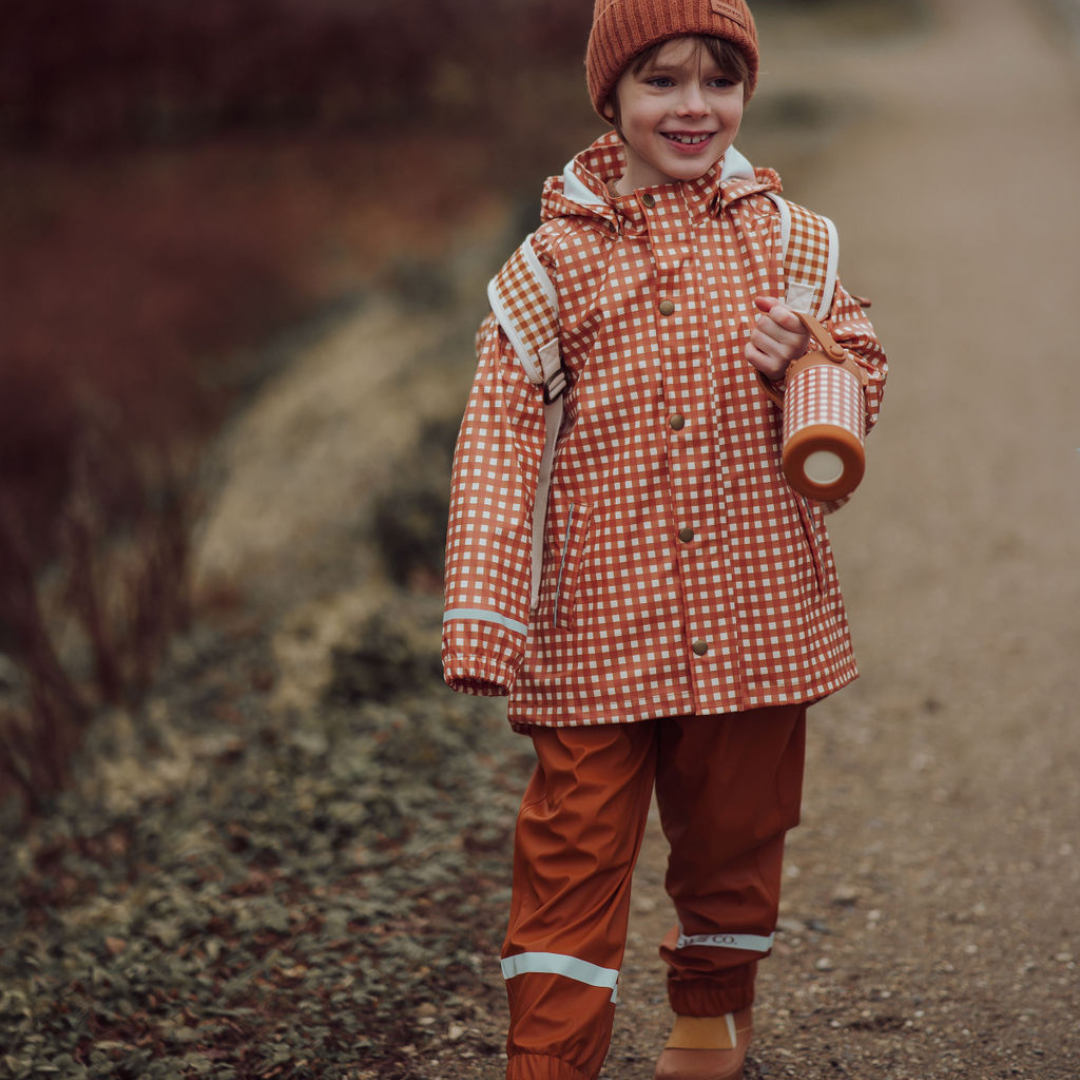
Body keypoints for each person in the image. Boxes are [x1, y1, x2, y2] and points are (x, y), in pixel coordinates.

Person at [441, 1, 887, 1077]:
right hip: (596, 621)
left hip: (755, 614)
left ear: (746, 92)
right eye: (662, 81)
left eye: (718, 81)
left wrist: (809, 355)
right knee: (569, 856)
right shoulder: (550, 264)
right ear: (612, 97)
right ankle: (549, 1061)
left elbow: (861, 374)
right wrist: (484, 616)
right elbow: (498, 441)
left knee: (737, 840)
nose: (694, 108)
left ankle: (709, 1022)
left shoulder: (794, 239)